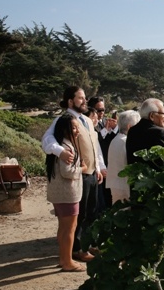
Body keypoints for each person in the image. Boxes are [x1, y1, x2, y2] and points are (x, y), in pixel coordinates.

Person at [42, 86, 105, 263]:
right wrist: (60, 151)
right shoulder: (64, 119)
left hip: (91, 174)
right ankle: (77, 249)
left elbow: (95, 146)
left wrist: (99, 168)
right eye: (80, 98)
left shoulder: (86, 119)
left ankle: (87, 243)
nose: (84, 101)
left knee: (91, 212)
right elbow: (47, 139)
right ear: (70, 101)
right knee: (80, 214)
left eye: (84, 98)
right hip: (79, 175)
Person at [45, 113, 86, 272]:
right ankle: (68, 261)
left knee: (63, 227)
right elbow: (67, 172)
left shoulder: (60, 145)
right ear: (65, 129)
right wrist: (82, 168)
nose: (77, 131)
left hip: (59, 194)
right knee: (70, 228)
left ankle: (63, 258)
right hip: (68, 194)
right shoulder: (67, 147)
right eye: (74, 127)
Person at [107, 109, 140, 203]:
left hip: (117, 184)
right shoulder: (125, 141)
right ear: (130, 127)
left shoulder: (116, 139)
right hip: (124, 186)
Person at [126, 98, 164, 167]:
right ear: (152, 115)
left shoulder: (132, 130)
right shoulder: (159, 132)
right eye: (163, 113)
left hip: (135, 176)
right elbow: (163, 162)